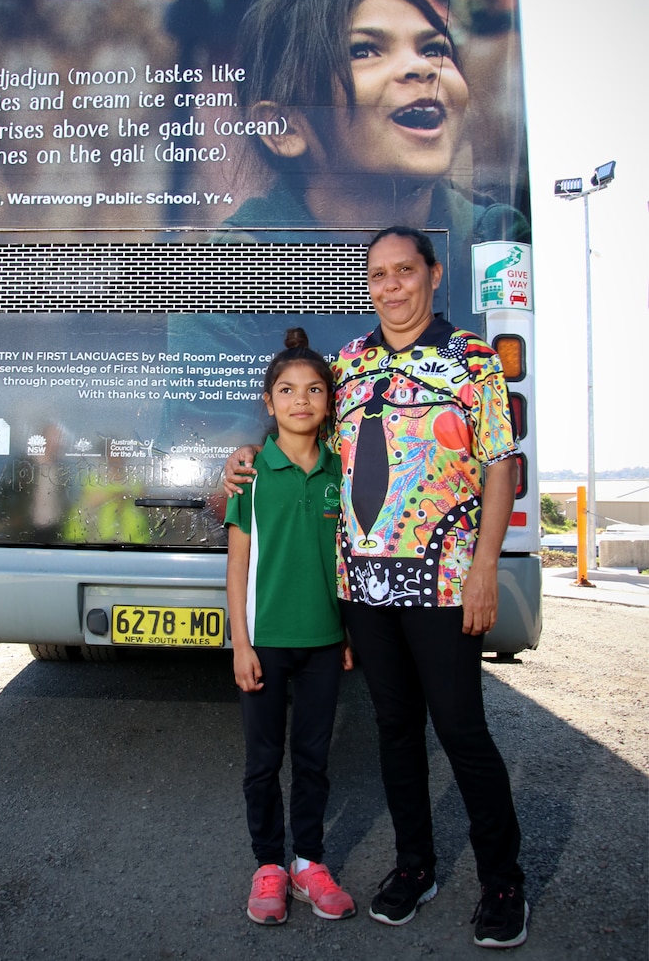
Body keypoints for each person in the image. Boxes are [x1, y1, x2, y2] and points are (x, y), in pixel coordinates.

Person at [224, 227, 529, 949]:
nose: (391, 285)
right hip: (365, 590)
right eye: (378, 274)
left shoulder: (474, 360)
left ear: (433, 273)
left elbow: (499, 464)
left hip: (447, 582)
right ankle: (415, 865)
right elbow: (299, 427)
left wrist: (486, 563)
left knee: (459, 729)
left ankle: (503, 880)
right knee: (396, 733)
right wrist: (243, 452)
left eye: (404, 270)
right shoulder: (351, 364)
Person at [220, 0, 529, 310]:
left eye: (433, 49)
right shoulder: (232, 267)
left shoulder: (495, 238)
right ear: (284, 127)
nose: (422, 67)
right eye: (364, 51)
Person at [224, 328, 356, 927]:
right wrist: (241, 644)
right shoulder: (250, 477)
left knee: (313, 758)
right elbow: (238, 566)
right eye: (286, 390)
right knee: (262, 760)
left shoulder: (342, 475)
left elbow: (353, 558)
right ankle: (268, 866)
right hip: (266, 645)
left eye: (313, 390)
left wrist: (349, 634)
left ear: (329, 401)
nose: (300, 400)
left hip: (325, 643)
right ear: (269, 402)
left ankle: (308, 863)